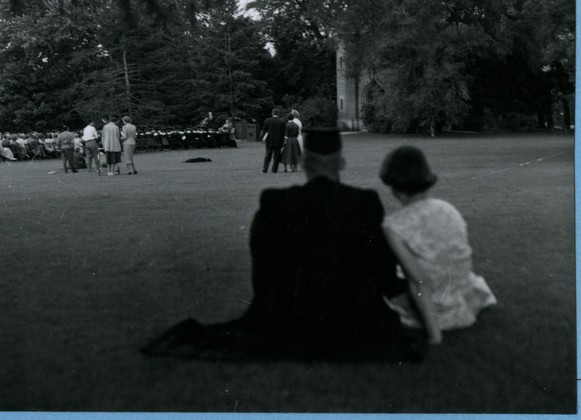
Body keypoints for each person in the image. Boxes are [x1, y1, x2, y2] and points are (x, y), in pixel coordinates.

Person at [143, 129, 423, 362]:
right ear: (340, 162)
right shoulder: (364, 202)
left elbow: (262, 263)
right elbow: (382, 268)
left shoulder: (276, 201)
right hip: (349, 315)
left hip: (287, 313)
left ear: (305, 163)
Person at [379, 145, 497, 344]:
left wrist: (435, 335)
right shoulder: (449, 209)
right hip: (464, 301)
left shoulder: (394, 225)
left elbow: (418, 282)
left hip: (435, 310)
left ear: (393, 184)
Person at [260, 108, 286, 173]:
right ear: (278, 114)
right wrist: (282, 142)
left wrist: (263, 139)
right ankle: (274, 170)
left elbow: (264, 131)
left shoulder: (267, 121)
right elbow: (283, 133)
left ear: (272, 113)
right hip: (278, 141)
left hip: (269, 141)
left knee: (268, 155)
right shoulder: (282, 122)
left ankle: (265, 169)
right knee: (276, 156)